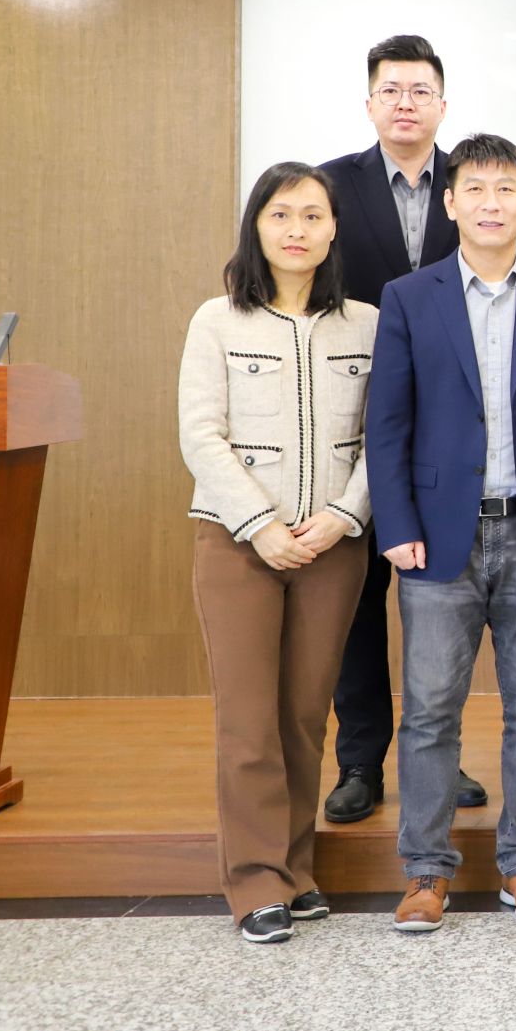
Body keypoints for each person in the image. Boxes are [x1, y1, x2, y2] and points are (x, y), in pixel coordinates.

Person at [366, 134, 516, 933]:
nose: (491, 202)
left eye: (506, 188)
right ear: (452, 202)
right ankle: (425, 871)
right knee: (430, 710)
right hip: (438, 537)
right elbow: (387, 420)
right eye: (476, 188)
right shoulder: (410, 296)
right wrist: (396, 521)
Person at [178, 162, 377, 943]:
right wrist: (260, 523)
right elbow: (201, 434)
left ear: (333, 230)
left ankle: (296, 869)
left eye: (312, 215)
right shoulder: (217, 320)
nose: (297, 229)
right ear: (256, 225)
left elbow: (385, 435)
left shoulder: (366, 323)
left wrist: (343, 515)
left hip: (333, 545)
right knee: (249, 719)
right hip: (238, 543)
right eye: (281, 213)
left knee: (302, 715)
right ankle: (255, 879)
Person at [315, 34, 482, 824]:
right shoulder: (330, 186)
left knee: (442, 600)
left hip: (451, 424)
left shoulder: (475, 182)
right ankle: (359, 759)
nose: (406, 102)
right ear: (370, 102)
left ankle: (437, 754)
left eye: (420, 90)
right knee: (357, 600)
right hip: (353, 417)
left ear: (442, 105)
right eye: (392, 89)